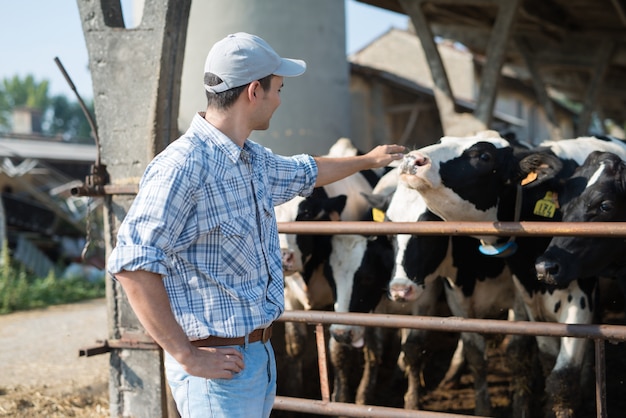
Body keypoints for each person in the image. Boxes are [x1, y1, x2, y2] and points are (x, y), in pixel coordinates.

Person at [107, 32, 405, 418]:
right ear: (254, 91)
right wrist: (185, 354)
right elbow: (133, 264)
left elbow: (307, 171)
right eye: (278, 89)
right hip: (216, 367)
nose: (280, 100)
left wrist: (367, 161)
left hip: (254, 355)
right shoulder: (182, 167)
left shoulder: (252, 161)